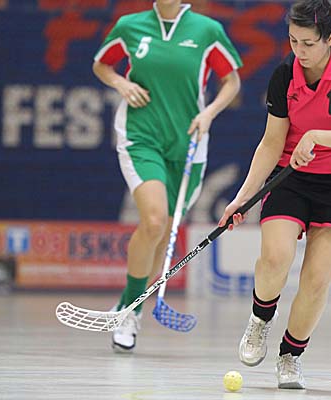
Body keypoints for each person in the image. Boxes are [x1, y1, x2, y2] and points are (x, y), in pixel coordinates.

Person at [218, 0, 331, 389]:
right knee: (275, 257)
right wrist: (242, 198)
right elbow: (271, 142)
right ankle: (261, 318)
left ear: (330, 38)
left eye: (308, 43)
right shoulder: (284, 75)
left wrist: (317, 136)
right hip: (291, 176)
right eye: (293, 40)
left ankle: (290, 356)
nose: (299, 51)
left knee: (317, 279)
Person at [92, 0, 242, 352]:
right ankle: (130, 313)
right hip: (141, 135)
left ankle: (129, 303)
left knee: (164, 234)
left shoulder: (207, 30)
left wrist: (209, 113)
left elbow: (231, 81)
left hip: (188, 141)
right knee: (154, 219)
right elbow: (101, 64)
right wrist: (119, 83)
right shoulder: (130, 26)